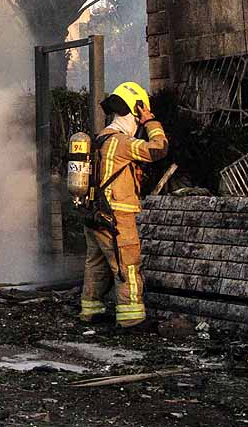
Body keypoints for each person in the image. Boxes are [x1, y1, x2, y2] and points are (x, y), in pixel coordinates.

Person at [79, 82, 168, 330]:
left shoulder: (99, 139)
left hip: (94, 213)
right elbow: (159, 149)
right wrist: (151, 122)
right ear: (135, 111)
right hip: (116, 214)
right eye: (139, 117)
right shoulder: (121, 142)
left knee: (95, 264)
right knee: (127, 264)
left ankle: (91, 310)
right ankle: (131, 317)